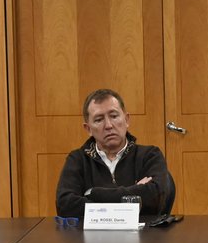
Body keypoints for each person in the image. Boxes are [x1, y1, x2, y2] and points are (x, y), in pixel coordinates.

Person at [56, 89, 172, 218]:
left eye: (114, 116)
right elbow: (65, 206)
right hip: (92, 237)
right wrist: (135, 191)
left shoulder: (150, 155)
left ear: (127, 120)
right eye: (99, 119)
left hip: (143, 235)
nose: (108, 125)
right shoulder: (77, 160)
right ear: (88, 129)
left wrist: (93, 193)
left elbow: (156, 198)